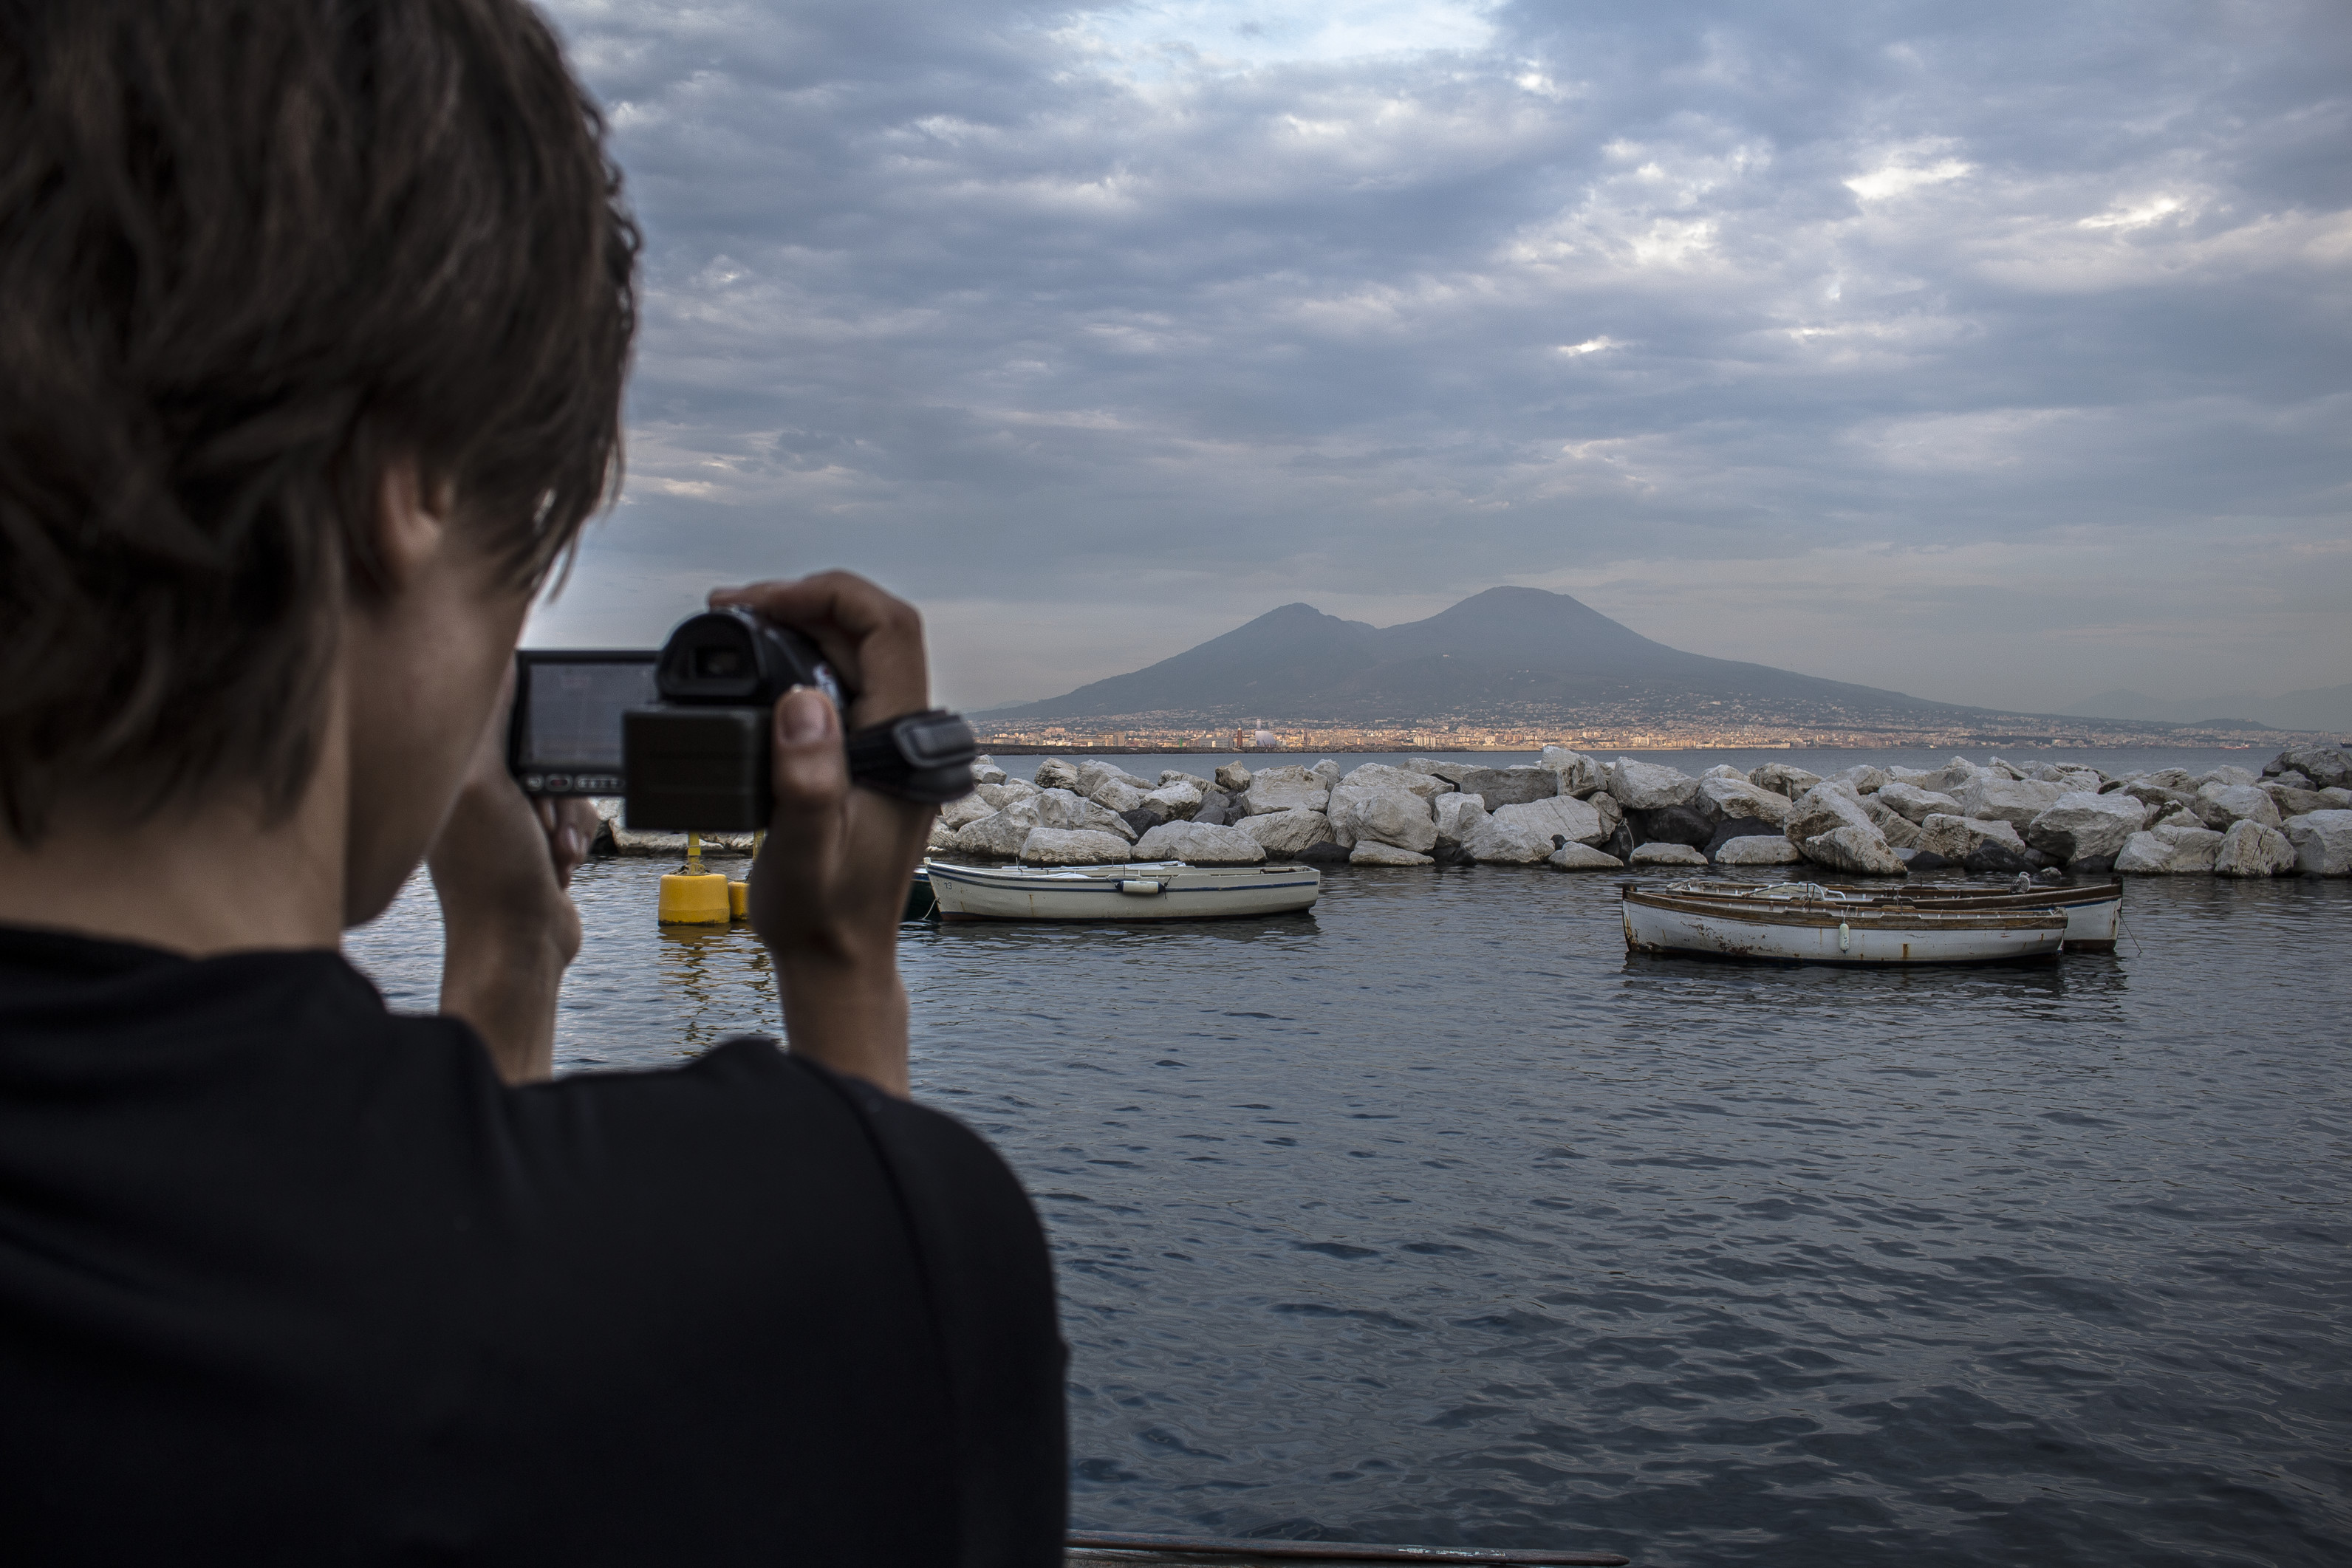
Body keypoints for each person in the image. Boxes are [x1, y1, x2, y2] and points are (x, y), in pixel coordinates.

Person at [0, 1, 1065, 1561]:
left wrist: (507, 960)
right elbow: (477, 1365)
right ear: (411, 486)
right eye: (529, 558)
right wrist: (840, 973)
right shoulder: (854, 1243)